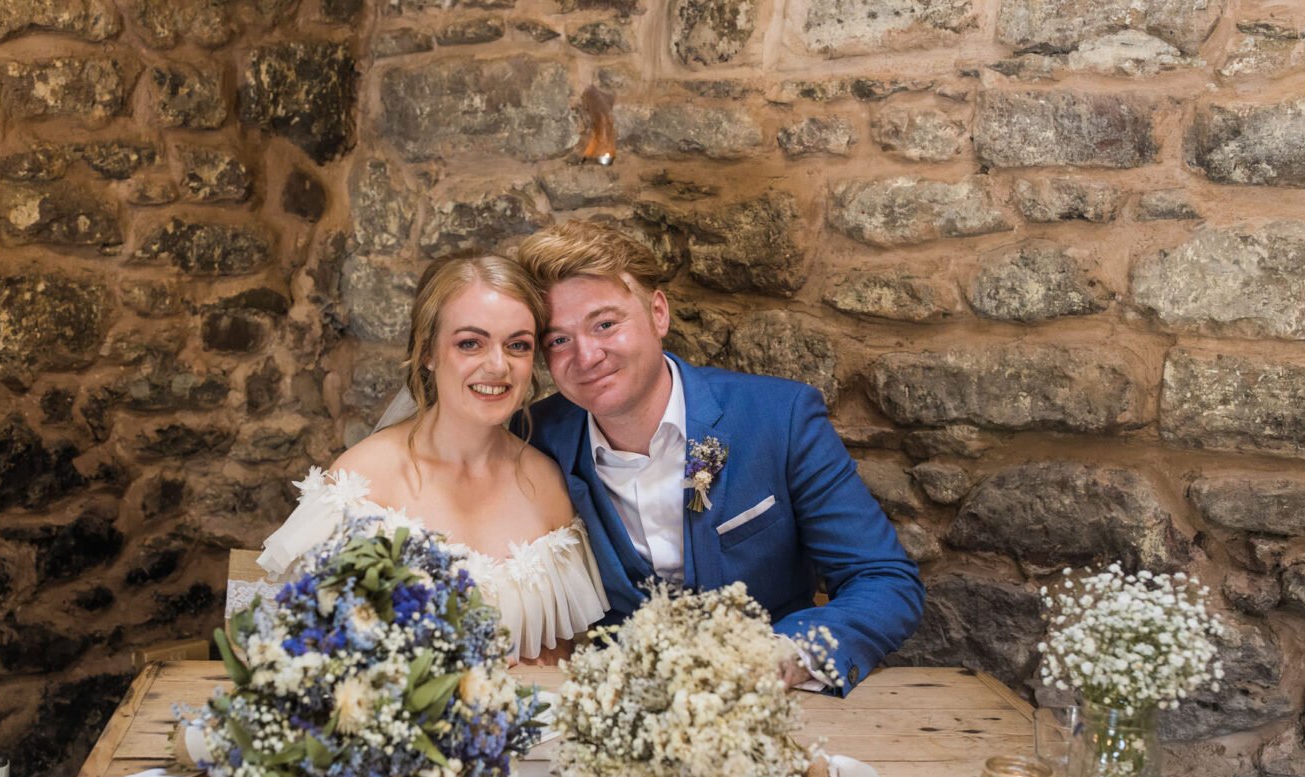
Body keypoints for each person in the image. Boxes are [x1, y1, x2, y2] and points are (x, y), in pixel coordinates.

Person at [517, 221, 924, 693]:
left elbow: (883, 577)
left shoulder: (780, 418)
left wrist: (783, 657)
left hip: (773, 701)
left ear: (658, 313)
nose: (586, 356)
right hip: (616, 710)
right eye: (558, 340)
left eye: (605, 324)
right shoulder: (533, 438)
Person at [256, 252, 606, 663]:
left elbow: (557, 654)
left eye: (518, 345)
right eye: (470, 343)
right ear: (427, 352)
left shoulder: (549, 488)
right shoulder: (363, 482)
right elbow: (307, 650)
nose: (498, 366)